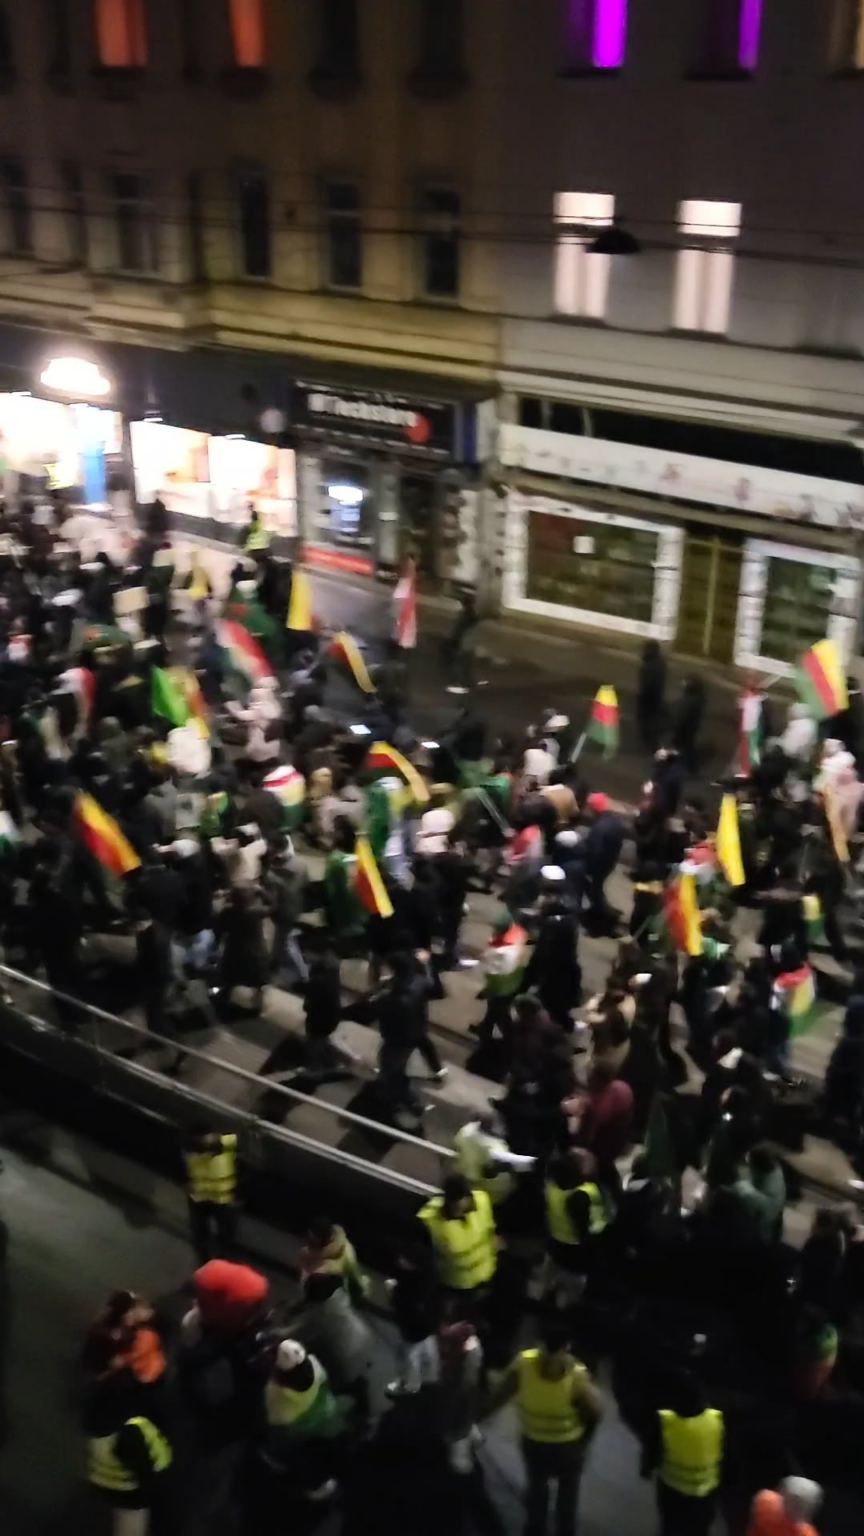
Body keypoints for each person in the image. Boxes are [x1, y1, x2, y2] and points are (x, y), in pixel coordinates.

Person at [488, 1317, 602, 1536]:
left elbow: (500, 1394)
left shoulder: (525, 1362)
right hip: (567, 1446)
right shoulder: (577, 1375)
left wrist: (477, 1415)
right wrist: (584, 1444)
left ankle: (535, 1529)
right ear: (567, 1347)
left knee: (537, 1489)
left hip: (534, 1442)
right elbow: (594, 1414)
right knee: (567, 1495)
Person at [84, 1371, 175, 1536]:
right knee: (133, 1527)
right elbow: (145, 1472)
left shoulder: (98, 1421)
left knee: (124, 1519)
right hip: (131, 1491)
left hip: (109, 1485)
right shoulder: (131, 1431)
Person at [643, 1373, 724, 1536]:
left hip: (673, 1489)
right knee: (699, 1530)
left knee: (670, 1526)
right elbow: (724, 1449)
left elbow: (653, 1450)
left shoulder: (665, 1420)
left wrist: (646, 1468)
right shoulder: (716, 1418)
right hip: (705, 1492)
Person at [418, 1173, 498, 1307]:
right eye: (455, 1204)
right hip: (457, 1283)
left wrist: (494, 1240)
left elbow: (489, 1227)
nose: (459, 1209)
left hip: (487, 1272)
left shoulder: (482, 1199)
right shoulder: (433, 1222)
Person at [542, 1148, 610, 1304]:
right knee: (574, 1280)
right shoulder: (579, 1195)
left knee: (556, 1270)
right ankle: (566, 1304)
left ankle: (550, 1295)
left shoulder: (550, 1186)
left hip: (556, 1239)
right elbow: (582, 1227)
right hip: (576, 1247)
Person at [182, 1128, 239, 1261]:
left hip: (222, 1198)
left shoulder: (227, 1142)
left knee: (225, 1240)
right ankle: (206, 1264)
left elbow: (239, 1139)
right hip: (200, 1196)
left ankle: (220, 1263)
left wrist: (216, 1140)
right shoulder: (190, 1143)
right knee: (200, 1238)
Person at [747, 1477, 823, 1536]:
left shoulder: (807, 1533)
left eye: (804, 1505)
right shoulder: (765, 1503)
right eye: (794, 1500)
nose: (796, 1507)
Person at [637, 640, 667, 755]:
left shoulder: (650, 665)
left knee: (646, 722)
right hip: (656, 697)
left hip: (648, 698)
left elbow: (647, 684)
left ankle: (651, 746)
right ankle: (651, 744)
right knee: (651, 721)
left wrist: (642, 696)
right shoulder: (660, 663)